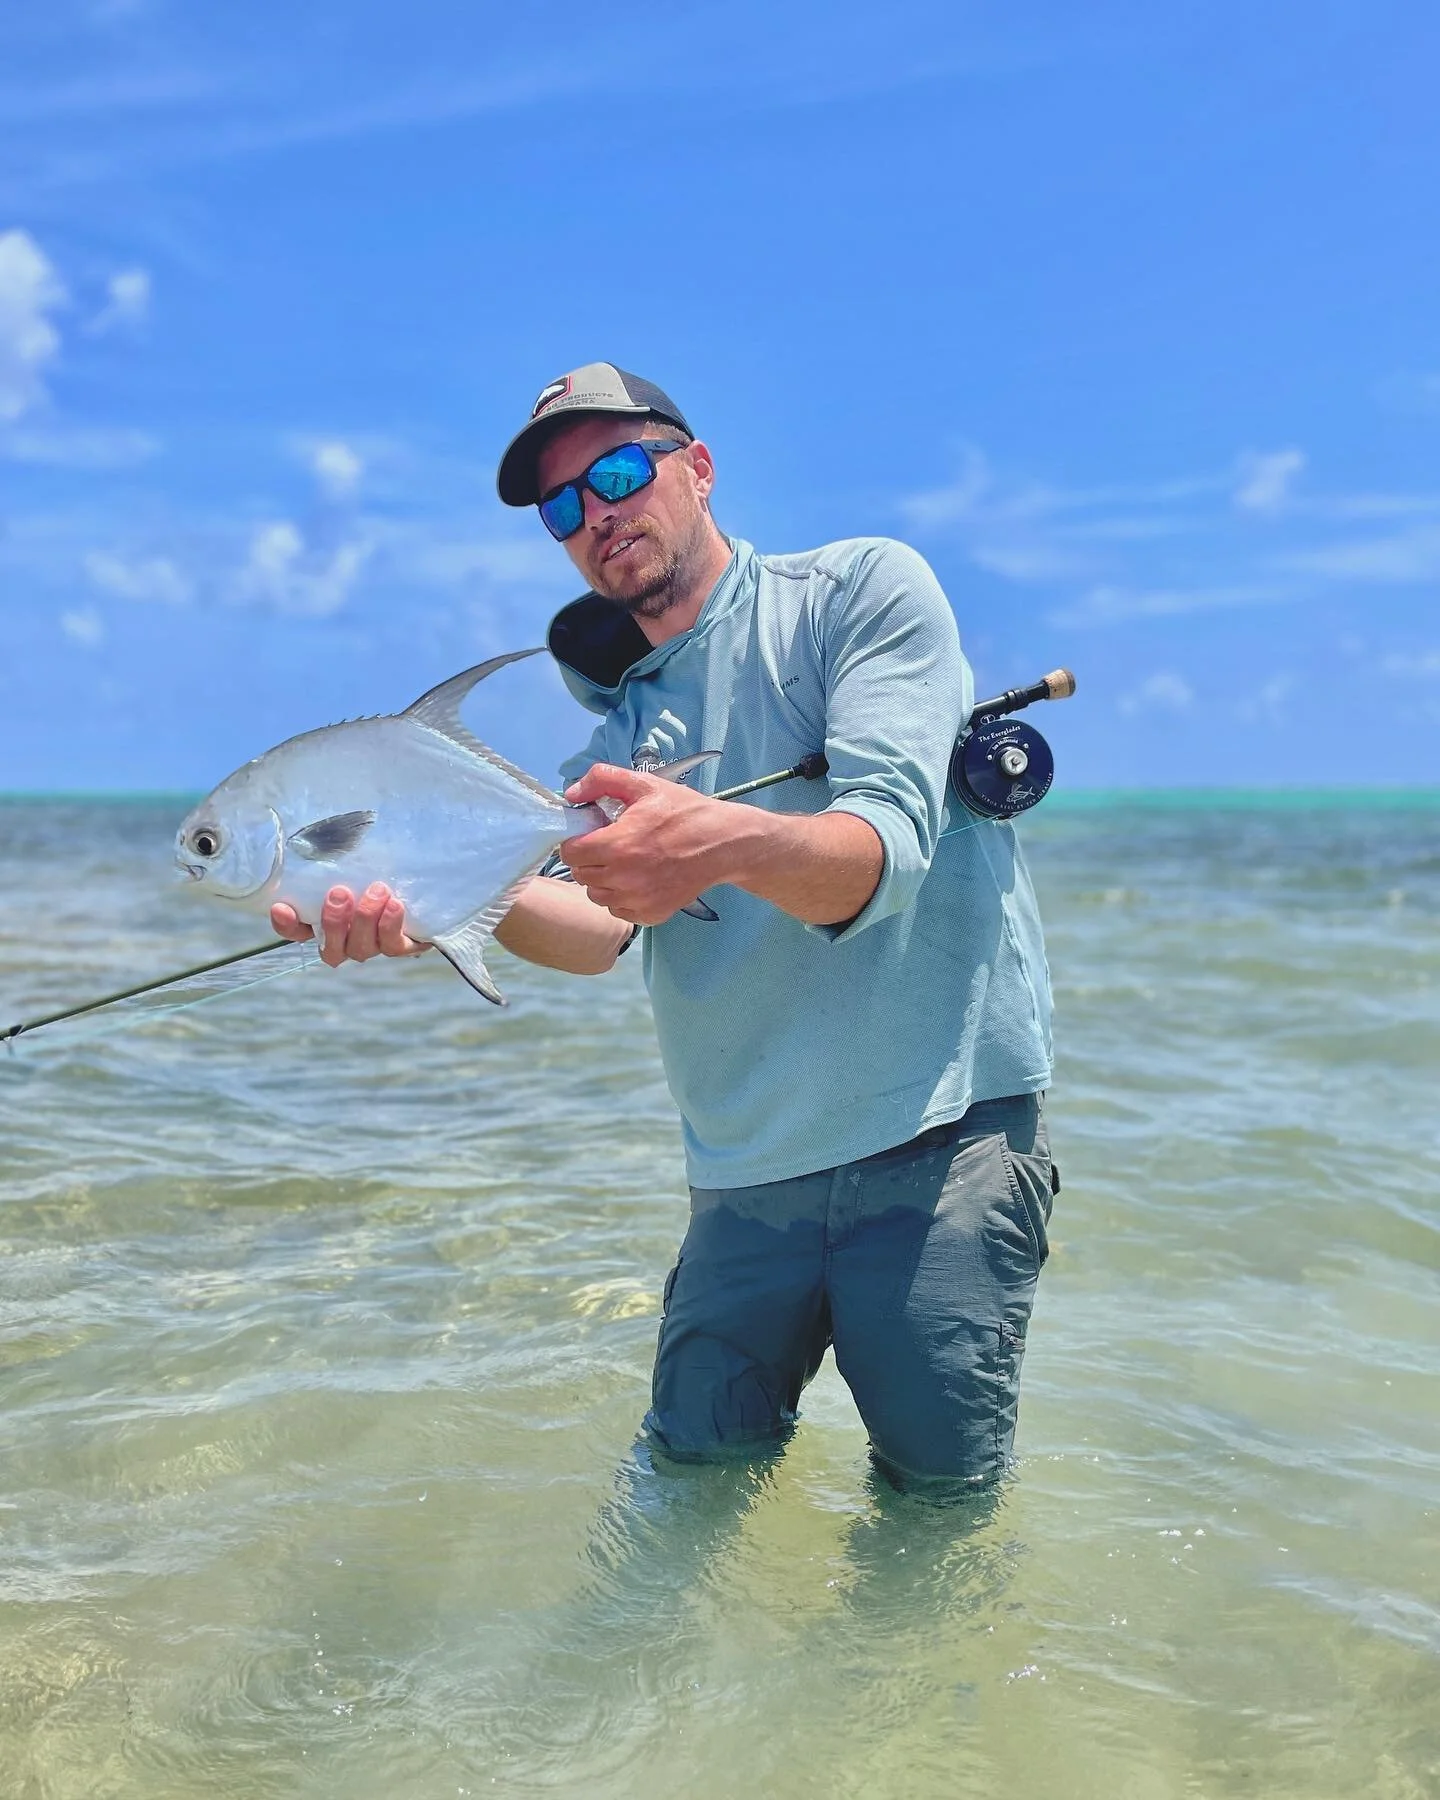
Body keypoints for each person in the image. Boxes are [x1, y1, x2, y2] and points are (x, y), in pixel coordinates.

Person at [273, 362, 1057, 1498]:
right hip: (744, 1176)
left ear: (698, 468)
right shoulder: (623, 724)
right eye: (563, 508)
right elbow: (597, 933)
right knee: (683, 1490)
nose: (597, 514)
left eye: (621, 471)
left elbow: (881, 855)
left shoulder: (858, 594)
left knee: (934, 1517)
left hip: (937, 1140)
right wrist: (432, 920)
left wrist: (724, 842)